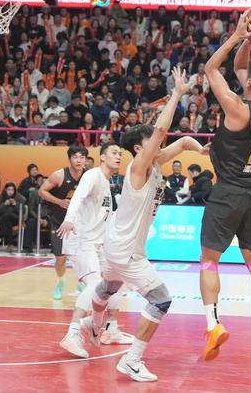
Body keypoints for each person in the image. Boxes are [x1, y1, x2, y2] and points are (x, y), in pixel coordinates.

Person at [88, 67, 208, 382]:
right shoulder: (139, 166)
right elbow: (162, 129)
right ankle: (132, 360)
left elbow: (183, 141)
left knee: (108, 287)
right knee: (161, 299)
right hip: (126, 250)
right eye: (152, 140)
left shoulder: (153, 161)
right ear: (139, 149)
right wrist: (177, 94)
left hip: (116, 243)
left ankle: (94, 323)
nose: (159, 140)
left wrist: (200, 149)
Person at [198, 11, 251, 362]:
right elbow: (240, 67)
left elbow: (211, 69)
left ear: (249, 84)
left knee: (209, 261)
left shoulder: (236, 107)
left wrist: (235, 36)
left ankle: (213, 325)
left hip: (229, 192)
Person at [57, 142, 131, 359]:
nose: (119, 156)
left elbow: (105, 217)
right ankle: (73, 333)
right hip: (80, 239)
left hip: (97, 243)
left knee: (113, 282)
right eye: (114, 153)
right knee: (94, 285)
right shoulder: (92, 176)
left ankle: (110, 329)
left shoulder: (107, 183)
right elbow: (78, 196)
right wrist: (69, 219)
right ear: (102, 157)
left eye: (120, 153)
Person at [39, 145, 88, 300]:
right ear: (69, 159)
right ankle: (61, 281)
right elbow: (42, 191)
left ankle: (82, 283)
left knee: (83, 258)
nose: (79, 160)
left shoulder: (89, 176)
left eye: (82, 157)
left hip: (80, 223)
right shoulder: (59, 175)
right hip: (59, 222)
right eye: (75, 157)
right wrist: (59, 201)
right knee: (60, 259)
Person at [0, 183, 27, 249]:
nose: (11, 192)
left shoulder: (20, 198)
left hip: (16, 219)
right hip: (3, 220)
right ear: (5, 190)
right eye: (9, 190)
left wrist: (15, 204)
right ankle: (10, 244)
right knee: (7, 220)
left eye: (12, 190)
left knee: (8, 215)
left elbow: (22, 211)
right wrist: (4, 204)